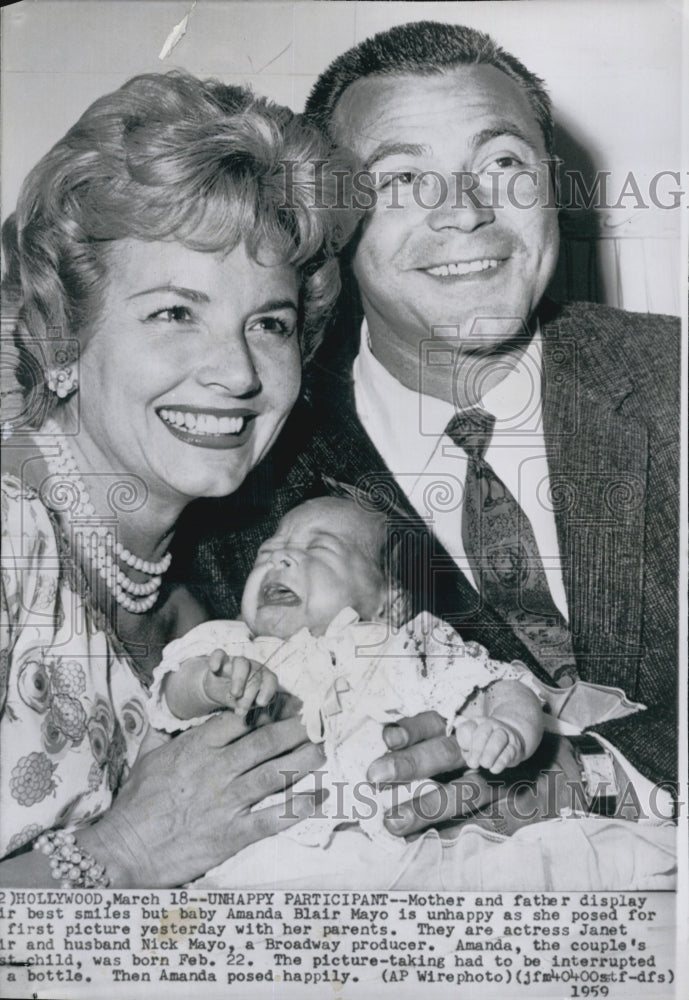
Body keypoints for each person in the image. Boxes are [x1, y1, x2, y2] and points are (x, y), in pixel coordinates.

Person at [179, 21, 679, 842]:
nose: (468, 212)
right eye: (404, 179)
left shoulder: (672, 378)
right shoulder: (238, 483)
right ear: (327, 225)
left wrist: (603, 778)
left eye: (502, 163)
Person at [0, 70, 356, 887]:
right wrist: (122, 852)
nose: (235, 372)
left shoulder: (195, 607)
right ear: (60, 335)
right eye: (173, 312)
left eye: (268, 323)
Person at [149, 496, 674, 891]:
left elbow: (501, 686)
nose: (280, 561)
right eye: (268, 554)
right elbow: (172, 695)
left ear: (389, 603)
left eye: (317, 550)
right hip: (266, 863)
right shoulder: (232, 643)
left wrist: (507, 729)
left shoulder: (412, 646)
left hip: (410, 855)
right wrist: (213, 683)